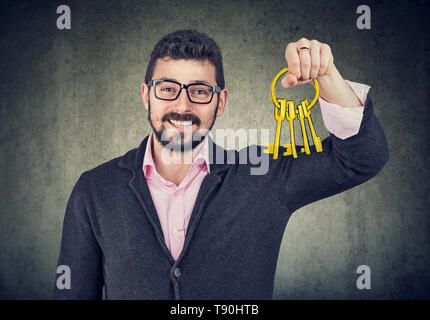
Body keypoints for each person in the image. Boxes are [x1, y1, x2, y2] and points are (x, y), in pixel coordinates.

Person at [53, 29, 388, 299]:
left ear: (220, 101)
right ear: (146, 95)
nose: (182, 105)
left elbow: (362, 157)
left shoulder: (263, 175)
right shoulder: (95, 189)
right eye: (167, 89)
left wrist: (327, 75)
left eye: (199, 91)